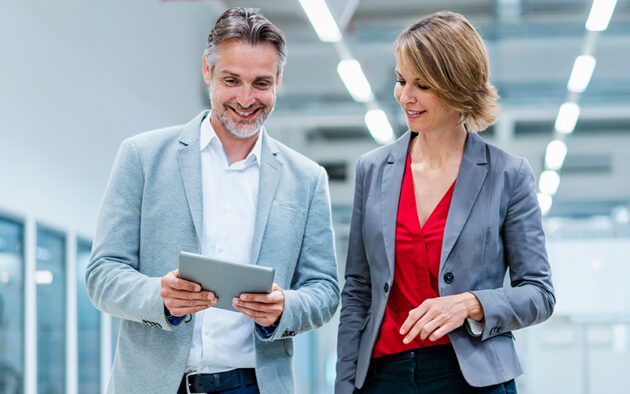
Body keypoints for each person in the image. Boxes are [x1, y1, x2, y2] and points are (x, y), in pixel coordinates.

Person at [86, 7, 339, 394]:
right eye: (232, 80)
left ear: (279, 81)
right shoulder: (143, 157)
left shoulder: (305, 178)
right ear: (207, 70)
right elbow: (102, 274)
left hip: (255, 384)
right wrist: (160, 296)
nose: (246, 98)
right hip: (156, 384)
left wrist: (283, 308)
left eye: (261, 83)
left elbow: (324, 290)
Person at [336, 11, 555, 394]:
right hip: (383, 377)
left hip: (474, 378)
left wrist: (471, 304)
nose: (405, 96)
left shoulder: (507, 175)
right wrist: (343, 385)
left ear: (457, 87)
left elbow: (539, 293)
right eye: (401, 80)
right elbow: (357, 289)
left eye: (422, 85)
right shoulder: (372, 170)